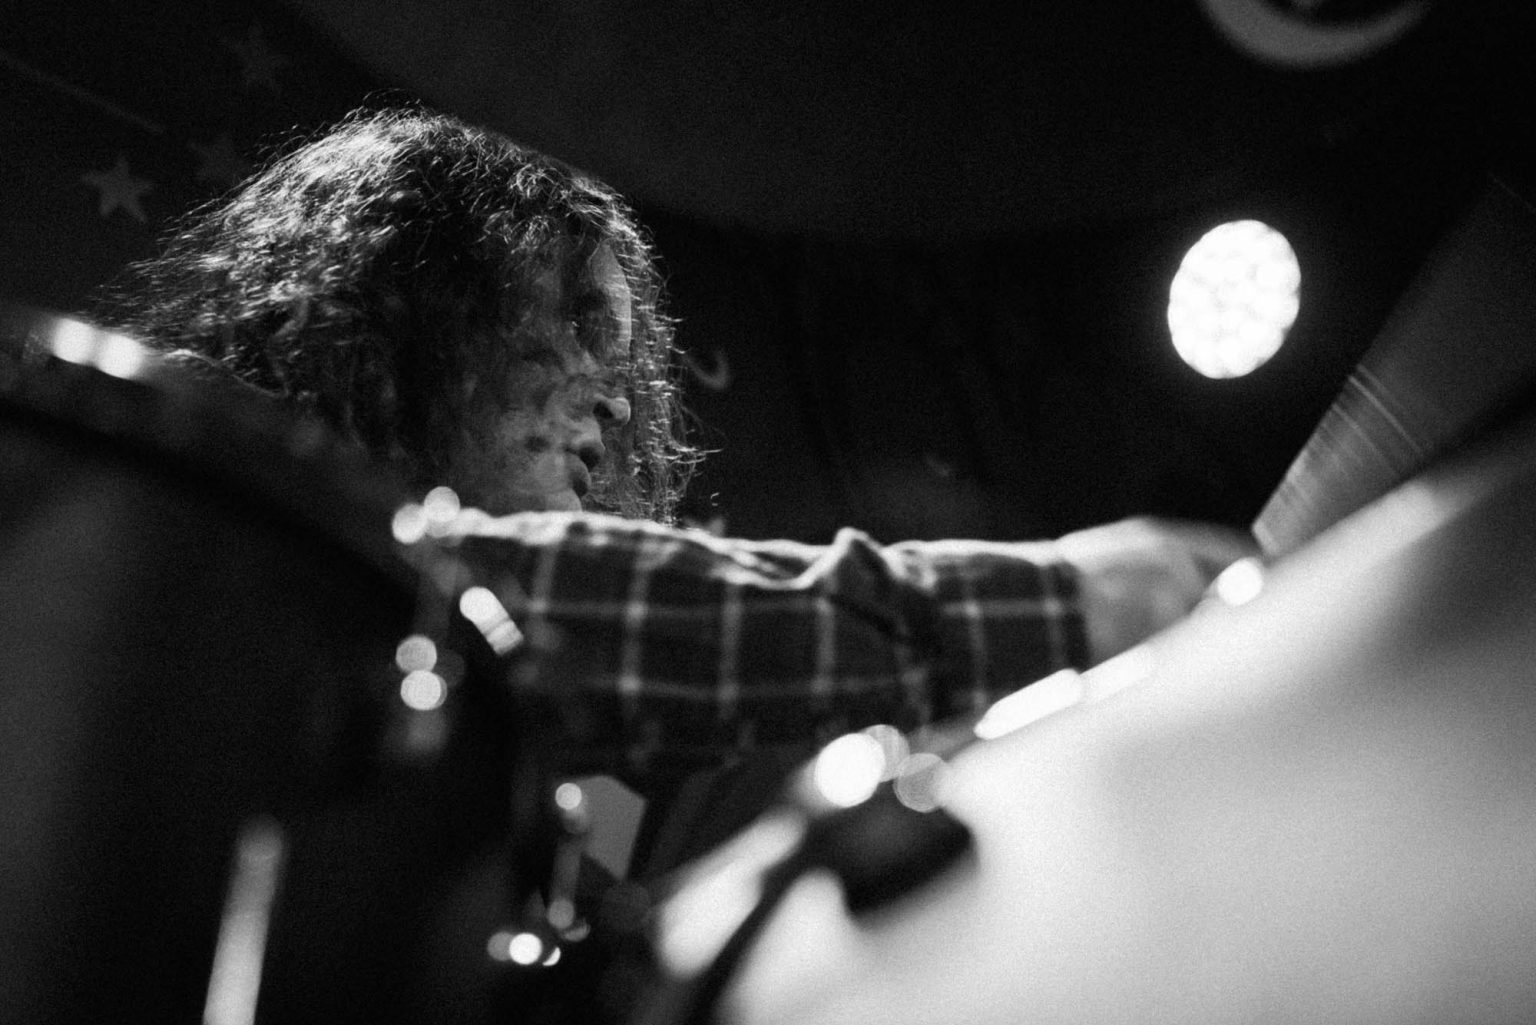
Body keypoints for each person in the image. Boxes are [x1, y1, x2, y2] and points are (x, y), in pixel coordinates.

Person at [94, 105, 1254, 795]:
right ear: (419, 313)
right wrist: (1069, 599)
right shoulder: (172, 524)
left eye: (623, 365)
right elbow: (491, 596)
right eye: (577, 326)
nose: (609, 401)